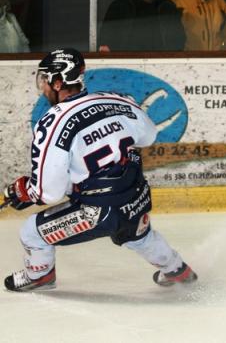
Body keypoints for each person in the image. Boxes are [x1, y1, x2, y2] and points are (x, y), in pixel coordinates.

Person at [2, 48, 197, 292]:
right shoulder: (115, 99)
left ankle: (39, 275)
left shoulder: (52, 123)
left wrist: (26, 192)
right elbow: (148, 135)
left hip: (97, 211)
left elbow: (49, 192)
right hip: (135, 196)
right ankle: (178, 270)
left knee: (32, 232)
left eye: (45, 80)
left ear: (58, 82)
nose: (43, 87)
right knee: (139, 235)